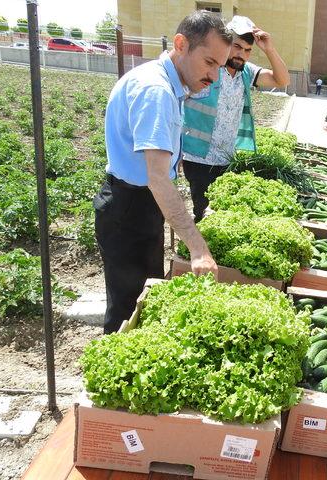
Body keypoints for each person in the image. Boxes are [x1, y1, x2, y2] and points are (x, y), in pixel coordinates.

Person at [94, 12, 230, 334]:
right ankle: (114, 373)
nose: (214, 76)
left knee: (143, 297)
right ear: (181, 44)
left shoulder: (169, 84)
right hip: (129, 208)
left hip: (140, 204)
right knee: (127, 310)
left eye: (219, 68)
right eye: (209, 62)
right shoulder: (156, 90)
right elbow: (156, 177)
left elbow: (160, 164)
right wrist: (198, 247)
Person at [181, 15, 290, 222]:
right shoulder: (210, 68)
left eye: (248, 50)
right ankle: (198, 250)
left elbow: (282, 80)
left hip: (227, 158)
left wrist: (269, 49)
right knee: (205, 215)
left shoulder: (246, 73)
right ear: (226, 44)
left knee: (222, 213)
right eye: (237, 47)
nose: (242, 54)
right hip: (198, 157)